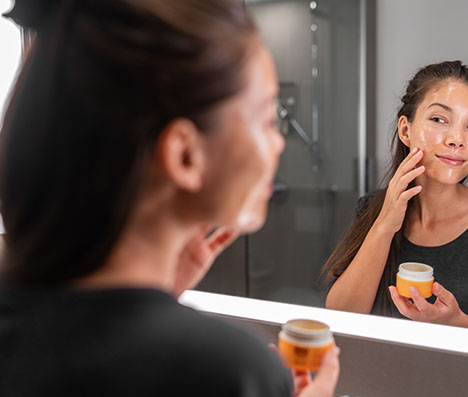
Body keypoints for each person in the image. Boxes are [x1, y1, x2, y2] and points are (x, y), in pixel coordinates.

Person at [0, 0, 339, 395]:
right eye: (266, 118)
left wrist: (157, 299)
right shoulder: (227, 372)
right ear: (184, 154)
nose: (279, 141)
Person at [323, 61, 468, 338]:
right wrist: (384, 225)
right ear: (405, 130)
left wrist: (457, 322)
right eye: (439, 120)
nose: (457, 139)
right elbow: (339, 318)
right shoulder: (372, 209)